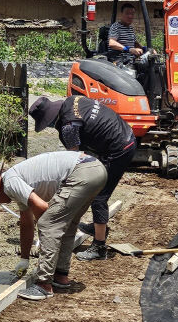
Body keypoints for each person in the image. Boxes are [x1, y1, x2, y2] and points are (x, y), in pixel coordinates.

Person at [0, 151, 107, 301]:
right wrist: (24, 258)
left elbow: (43, 209)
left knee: (49, 223)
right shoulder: (15, 183)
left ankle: (43, 285)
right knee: (67, 224)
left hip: (81, 172)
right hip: (95, 169)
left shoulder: (10, 183)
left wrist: (47, 241)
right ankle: (60, 276)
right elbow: (26, 223)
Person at [29, 95, 136, 260]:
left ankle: (99, 247)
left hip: (119, 148)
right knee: (92, 185)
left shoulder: (68, 127)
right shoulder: (72, 101)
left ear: (51, 119)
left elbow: (75, 162)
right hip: (122, 135)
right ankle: (97, 226)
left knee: (99, 195)